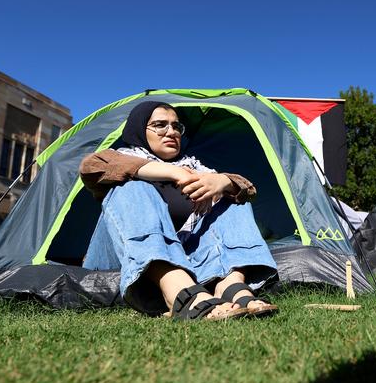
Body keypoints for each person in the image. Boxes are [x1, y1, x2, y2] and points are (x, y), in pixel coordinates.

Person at [79, 101, 278, 321]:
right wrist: (174, 173)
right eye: (160, 125)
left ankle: (230, 284)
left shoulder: (194, 168)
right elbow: (91, 166)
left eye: (176, 127)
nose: (171, 132)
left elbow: (248, 190)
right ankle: (176, 293)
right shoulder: (120, 158)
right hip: (116, 260)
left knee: (232, 197)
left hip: (183, 258)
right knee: (132, 184)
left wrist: (222, 181)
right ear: (139, 128)